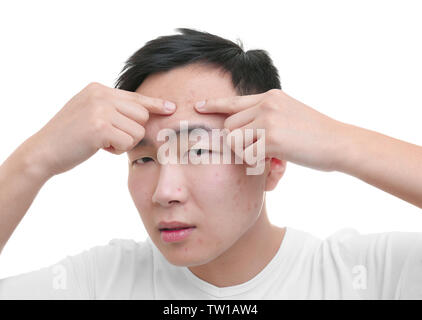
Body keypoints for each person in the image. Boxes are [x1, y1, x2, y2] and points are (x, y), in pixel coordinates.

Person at [0, 28, 421, 300]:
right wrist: (35, 159)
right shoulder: (97, 284)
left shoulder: (372, 276)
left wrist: (344, 144)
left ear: (273, 162)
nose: (165, 192)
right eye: (144, 157)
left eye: (199, 151)